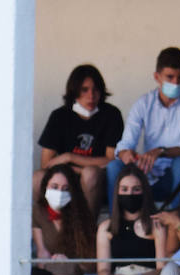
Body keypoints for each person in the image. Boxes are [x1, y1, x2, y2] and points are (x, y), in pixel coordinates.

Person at [109, 47, 180, 208]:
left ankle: (176, 219)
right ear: (157, 77)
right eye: (170, 77)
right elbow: (126, 143)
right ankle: (116, 223)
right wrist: (126, 154)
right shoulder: (143, 103)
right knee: (114, 166)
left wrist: (161, 151)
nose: (176, 83)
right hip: (150, 172)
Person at [38, 64, 124, 215]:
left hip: (98, 180)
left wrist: (69, 157)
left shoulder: (111, 114)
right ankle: (43, 232)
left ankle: (87, 232)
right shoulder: (59, 116)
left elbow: (111, 160)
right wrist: (74, 170)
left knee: (90, 173)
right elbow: (46, 164)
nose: (91, 96)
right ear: (74, 91)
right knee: (37, 178)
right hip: (65, 178)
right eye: (84, 90)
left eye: (96, 89)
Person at [32, 164, 96, 275]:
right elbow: (42, 254)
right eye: (54, 187)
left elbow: (89, 266)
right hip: (52, 274)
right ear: (45, 187)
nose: (59, 193)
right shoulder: (39, 212)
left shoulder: (82, 215)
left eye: (65, 189)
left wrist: (68, 261)